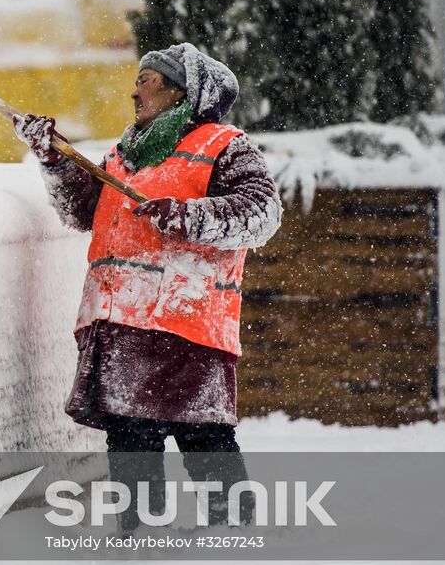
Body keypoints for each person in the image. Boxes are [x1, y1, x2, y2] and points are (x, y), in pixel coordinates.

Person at [17, 42, 282, 530]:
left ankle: (240, 539)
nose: (134, 91)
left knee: (204, 440)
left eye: (147, 80)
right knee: (130, 445)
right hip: (120, 326)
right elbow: (81, 212)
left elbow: (261, 214)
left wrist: (187, 217)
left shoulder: (223, 145)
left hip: (189, 328)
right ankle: (140, 544)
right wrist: (54, 160)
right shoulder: (123, 155)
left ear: (182, 91)